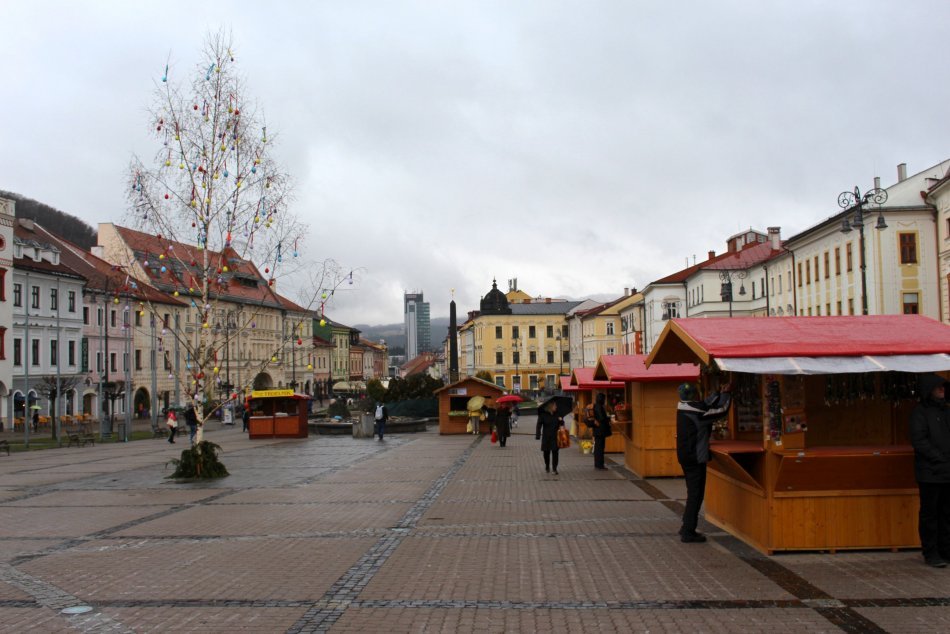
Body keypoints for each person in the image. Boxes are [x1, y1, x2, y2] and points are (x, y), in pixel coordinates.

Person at [675, 381, 732, 543]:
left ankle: (686, 526)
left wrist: (717, 394)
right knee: (695, 494)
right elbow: (721, 411)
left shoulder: (684, 406)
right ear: (695, 394)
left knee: (692, 492)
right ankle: (688, 531)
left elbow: (704, 404)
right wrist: (727, 394)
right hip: (695, 457)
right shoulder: (697, 412)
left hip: (685, 455)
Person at [909, 373, 950, 567]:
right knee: (930, 514)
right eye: (938, 387)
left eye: (943, 387)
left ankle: (946, 550)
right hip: (930, 473)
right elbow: (919, 441)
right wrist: (939, 458)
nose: (942, 390)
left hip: (947, 471)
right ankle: (931, 552)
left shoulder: (946, 411)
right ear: (929, 390)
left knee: (946, 513)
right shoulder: (920, 413)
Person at [536, 398, 566, 475]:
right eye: (555, 406)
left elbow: (562, 424)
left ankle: (554, 469)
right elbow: (539, 425)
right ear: (550, 407)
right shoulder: (543, 414)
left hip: (555, 437)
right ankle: (547, 466)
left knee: (555, 452)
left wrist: (561, 420)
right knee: (546, 453)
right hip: (546, 437)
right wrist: (538, 435)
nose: (556, 407)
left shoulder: (558, 414)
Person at [591, 393, 613, 470]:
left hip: (597, 431)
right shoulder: (599, 407)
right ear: (601, 399)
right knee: (600, 448)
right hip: (600, 431)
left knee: (598, 447)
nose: (605, 400)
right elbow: (601, 418)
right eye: (604, 399)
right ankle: (600, 464)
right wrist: (608, 418)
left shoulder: (596, 406)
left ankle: (598, 464)